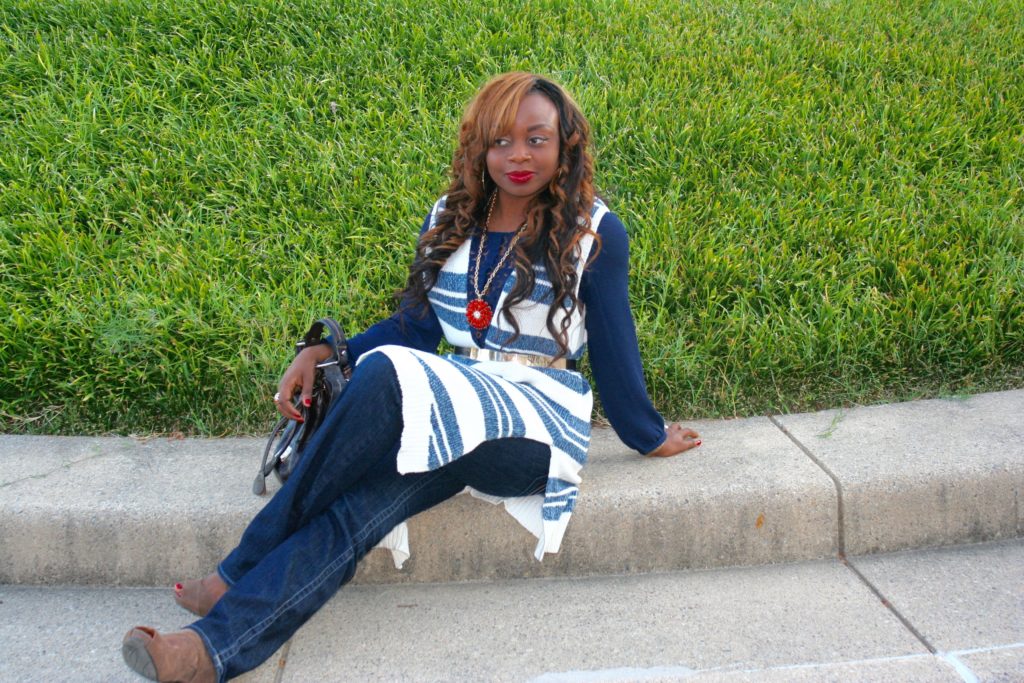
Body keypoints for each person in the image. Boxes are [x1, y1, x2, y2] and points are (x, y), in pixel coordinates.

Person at [120, 71, 701, 682]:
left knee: (388, 380)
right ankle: (206, 653)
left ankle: (238, 569)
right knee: (358, 509)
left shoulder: (594, 232)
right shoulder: (452, 218)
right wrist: (324, 353)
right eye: (500, 142)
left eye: (537, 139)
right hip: (452, 408)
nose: (519, 157)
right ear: (479, 147)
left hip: (532, 427)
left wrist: (647, 433)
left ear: (566, 145)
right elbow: (414, 331)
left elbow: (614, 342)